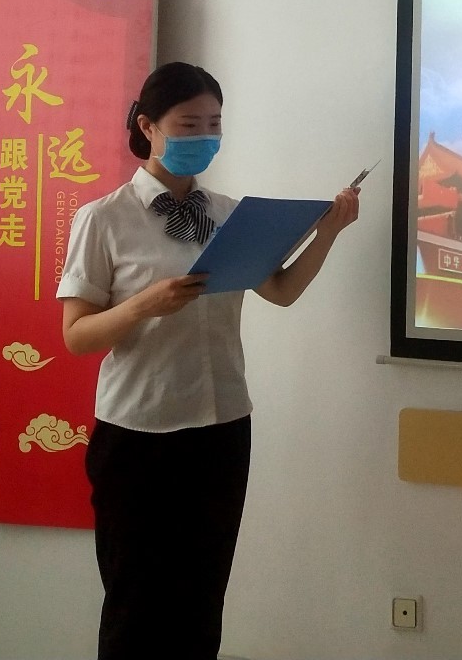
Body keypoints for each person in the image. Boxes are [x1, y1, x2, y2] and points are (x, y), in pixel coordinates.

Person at [57, 62, 359, 660]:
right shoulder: (104, 218)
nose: (204, 136)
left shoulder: (228, 213)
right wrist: (144, 304)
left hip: (220, 428)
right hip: (138, 435)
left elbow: (281, 291)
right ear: (147, 126)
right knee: (136, 605)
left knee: (201, 601)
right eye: (188, 124)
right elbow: (76, 336)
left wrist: (328, 230)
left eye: (214, 123)